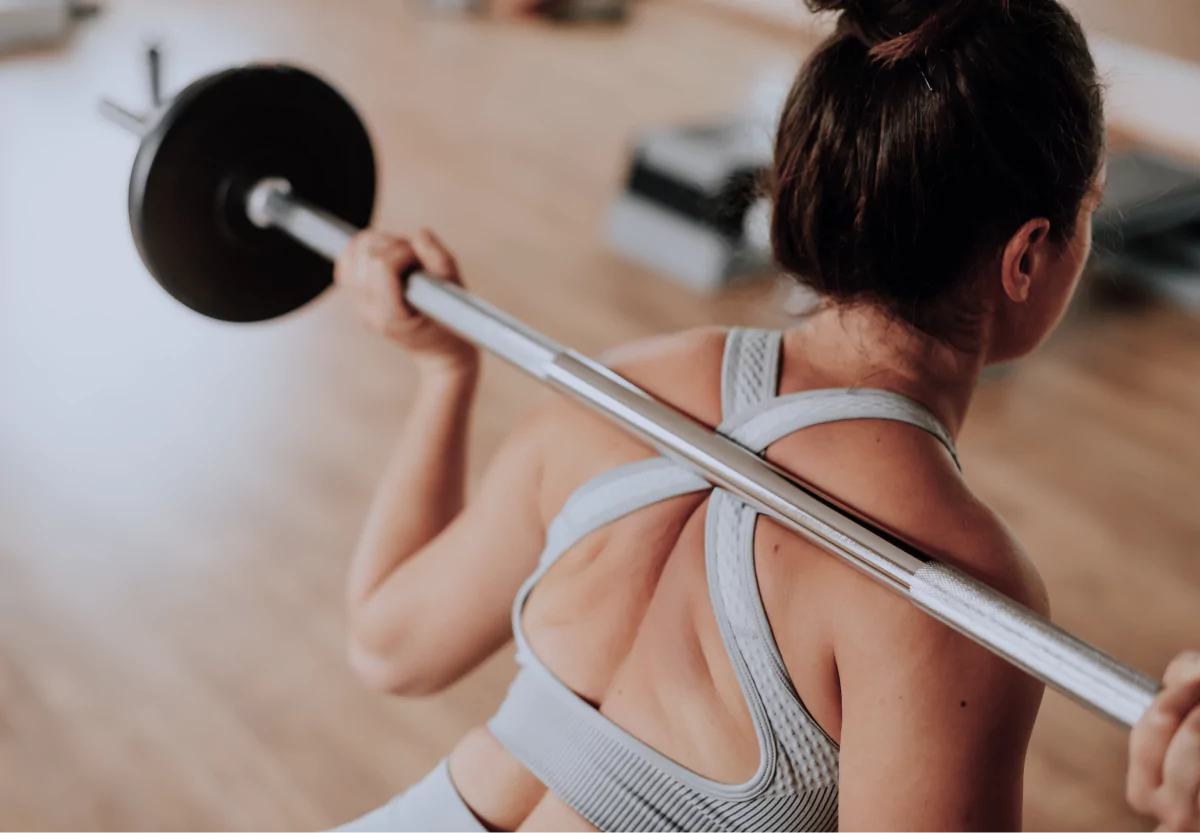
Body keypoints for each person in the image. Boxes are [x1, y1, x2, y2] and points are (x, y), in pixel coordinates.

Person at [324, 1, 1200, 831]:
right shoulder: (962, 591)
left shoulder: (621, 389)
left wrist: (445, 373)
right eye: (1086, 213)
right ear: (1026, 257)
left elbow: (389, 643)